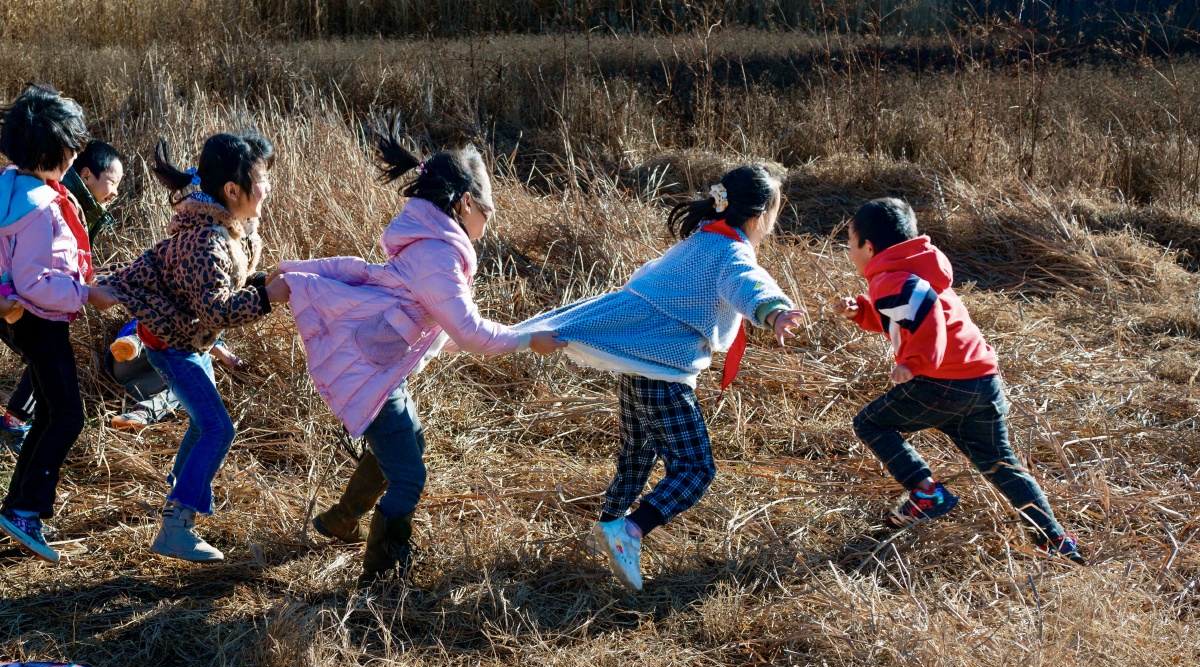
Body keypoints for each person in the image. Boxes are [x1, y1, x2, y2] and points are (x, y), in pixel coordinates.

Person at [275, 115, 563, 587]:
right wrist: (528, 339)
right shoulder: (439, 255)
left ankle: (340, 520)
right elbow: (469, 333)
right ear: (466, 202)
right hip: (373, 374)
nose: (489, 222)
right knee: (409, 478)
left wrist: (517, 334)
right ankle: (382, 576)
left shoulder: (432, 244)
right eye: (488, 211)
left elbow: (441, 331)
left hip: (382, 367)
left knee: (407, 449)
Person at [513, 165, 805, 591]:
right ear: (760, 217)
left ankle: (609, 526)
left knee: (638, 453)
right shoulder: (731, 253)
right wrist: (775, 312)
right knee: (695, 469)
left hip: (639, 370)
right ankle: (628, 532)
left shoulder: (698, 241)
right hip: (663, 376)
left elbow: (646, 283)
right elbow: (749, 285)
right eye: (774, 215)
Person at [833, 197, 1083, 564]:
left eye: (850, 244)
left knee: (871, 423)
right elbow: (904, 315)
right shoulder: (914, 268)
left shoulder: (889, 278)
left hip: (942, 383)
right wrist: (863, 312)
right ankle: (1054, 540)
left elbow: (928, 315)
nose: (849, 253)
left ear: (868, 247)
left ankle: (927, 494)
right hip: (982, 380)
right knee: (1000, 464)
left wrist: (914, 362)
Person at [102, 134, 288, 562]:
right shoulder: (205, 240)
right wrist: (268, 296)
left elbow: (217, 294)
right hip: (170, 347)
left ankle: (179, 492)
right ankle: (175, 525)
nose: (268, 188)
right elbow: (215, 308)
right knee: (218, 429)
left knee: (204, 425)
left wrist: (270, 286)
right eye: (262, 180)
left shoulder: (231, 230)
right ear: (232, 191)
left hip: (189, 343)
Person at [0, 84, 119, 563]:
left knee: (50, 412)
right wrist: (87, 295)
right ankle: (25, 509)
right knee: (67, 415)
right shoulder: (38, 208)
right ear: (54, 150)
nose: (75, 154)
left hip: (20, 317)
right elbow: (34, 281)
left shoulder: (14, 185)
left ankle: (17, 505)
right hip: (38, 319)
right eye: (71, 146)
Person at [0, 138, 125, 453]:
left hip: (21, 295)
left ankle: (17, 423)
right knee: (47, 359)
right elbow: (37, 272)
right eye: (111, 182)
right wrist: (85, 293)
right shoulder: (55, 200)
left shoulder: (73, 201)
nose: (115, 192)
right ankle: (15, 425)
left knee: (44, 357)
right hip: (18, 297)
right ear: (85, 176)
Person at [107, 320, 249, 432]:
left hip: (133, 382)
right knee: (167, 327)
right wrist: (222, 352)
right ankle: (135, 343)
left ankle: (139, 415)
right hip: (129, 362)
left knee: (195, 387)